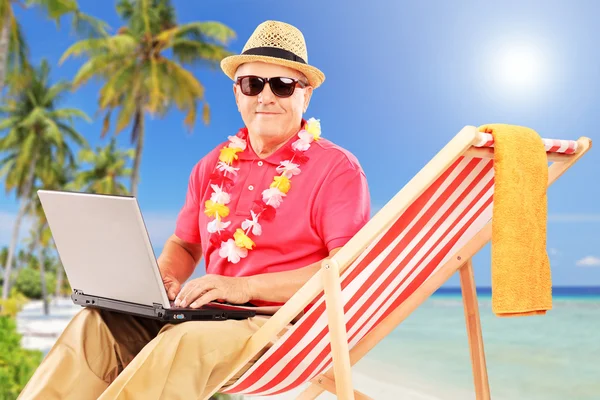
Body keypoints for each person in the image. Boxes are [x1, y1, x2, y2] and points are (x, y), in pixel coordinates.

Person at [18, 20, 370, 400]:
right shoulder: (211, 165)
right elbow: (185, 245)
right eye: (252, 84)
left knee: (180, 343)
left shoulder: (337, 170)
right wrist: (165, 279)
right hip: (207, 316)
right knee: (96, 325)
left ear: (306, 95)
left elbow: (345, 271)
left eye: (282, 85)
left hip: (285, 327)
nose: (265, 97)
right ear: (238, 94)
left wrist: (244, 287)